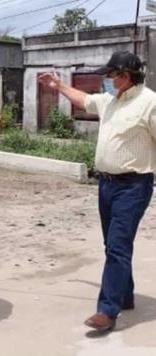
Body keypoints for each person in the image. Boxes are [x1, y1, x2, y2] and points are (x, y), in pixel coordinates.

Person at [39, 51, 156, 332]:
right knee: (113, 246)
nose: (107, 80)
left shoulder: (150, 103)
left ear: (125, 76)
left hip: (133, 185)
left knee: (117, 246)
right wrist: (59, 86)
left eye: (111, 75)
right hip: (107, 185)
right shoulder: (111, 101)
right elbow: (85, 100)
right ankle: (124, 296)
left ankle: (107, 310)